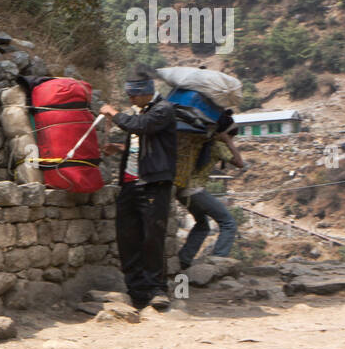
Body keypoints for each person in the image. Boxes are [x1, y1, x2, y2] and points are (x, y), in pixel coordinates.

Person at [100, 69, 178, 311]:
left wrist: (113, 113)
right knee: (128, 237)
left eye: (135, 94)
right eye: (129, 95)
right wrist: (120, 148)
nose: (131, 99)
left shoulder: (163, 110)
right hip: (130, 183)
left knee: (152, 238)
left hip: (154, 184)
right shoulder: (143, 112)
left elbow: (141, 126)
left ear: (148, 92)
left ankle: (157, 290)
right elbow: (143, 143)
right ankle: (136, 292)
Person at [177, 128, 245, 269]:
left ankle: (183, 260)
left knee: (202, 225)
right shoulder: (217, 145)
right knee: (228, 223)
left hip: (180, 189)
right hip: (195, 190)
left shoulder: (199, 141)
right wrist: (228, 141)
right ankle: (218, 260)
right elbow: (239, 162)